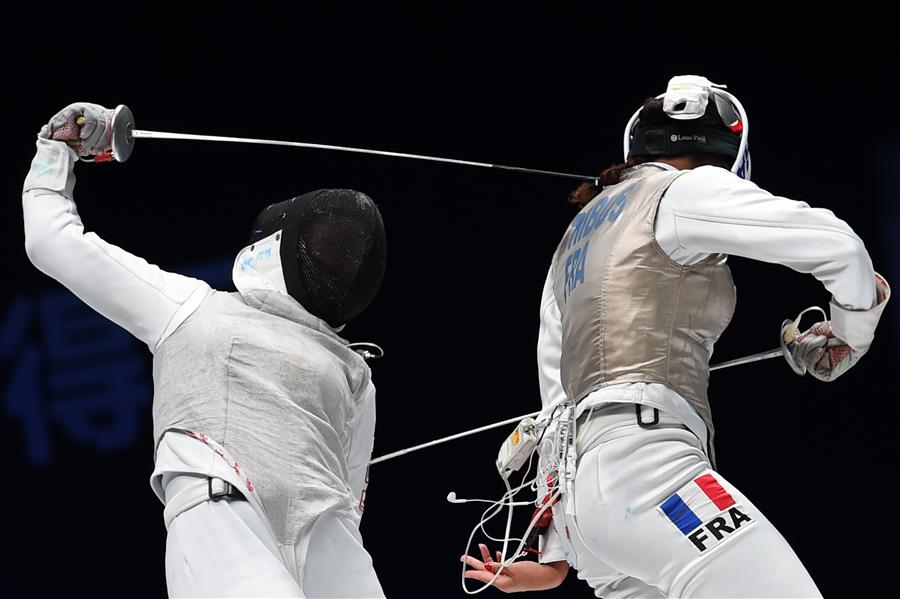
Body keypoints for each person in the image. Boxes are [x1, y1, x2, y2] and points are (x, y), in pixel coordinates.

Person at [462, 75, 890, 597]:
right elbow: (840, 249)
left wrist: (555, 549)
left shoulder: (572, 242)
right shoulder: (685, 189)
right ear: (726, 154)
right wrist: (851, 334)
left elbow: (557, 402)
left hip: (588, 512)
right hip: (650, 474)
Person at [23, 102, 388, 598]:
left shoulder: (345, 368)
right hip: (276, 527)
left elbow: (50, 240)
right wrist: (56, 152)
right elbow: (351, 496)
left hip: (278, 525)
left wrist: (58, 147)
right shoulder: (346, 369)